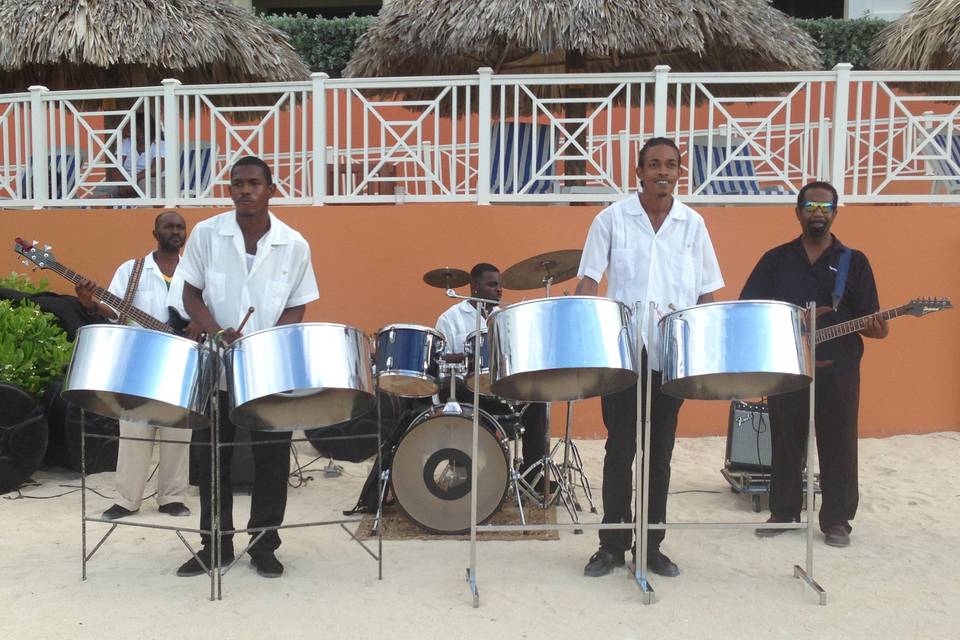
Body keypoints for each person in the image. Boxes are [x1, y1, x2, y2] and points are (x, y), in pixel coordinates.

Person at [575, 137, 724, 578]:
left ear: (680, 173)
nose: (663, 171)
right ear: (637, 173)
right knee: (620, 449)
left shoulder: (693, 225)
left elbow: (706, 292)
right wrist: (584, 334)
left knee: (659, 453)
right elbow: (588, 281)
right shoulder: (611, 219)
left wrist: (703, 351)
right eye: (654, 164)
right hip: (623, 353)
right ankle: (611, 545)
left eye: (671, 165)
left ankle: (652, 545)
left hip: (670, 353)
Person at [174, 156, 319, 579]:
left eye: (255, 183)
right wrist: (217, 332)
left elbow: (297, 303)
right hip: (215, 366)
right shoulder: (206, 234)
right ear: (230, 189)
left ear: (271, 190)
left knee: (272, 460)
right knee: (213, 459)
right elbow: (190, 295)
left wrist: (266, 345)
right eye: (237, 183)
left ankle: (264, 545)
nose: (245, 190)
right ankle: (215, 544)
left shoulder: (294, 243)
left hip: (267, 372)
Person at [741, 181, 888, 548]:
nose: (818, 212)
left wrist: (876, 328)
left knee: (838, 441)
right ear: (797, 211)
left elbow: (874, 325)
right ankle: (785, 512)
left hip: (839, 366)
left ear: (836, 213)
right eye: (810, 205)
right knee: (786, 437)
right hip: (788, 364)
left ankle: (837, 519)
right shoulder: (776, 259)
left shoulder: (855, 261)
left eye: (825, 207)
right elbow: (749, 308)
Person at [75, 211, 201, 520]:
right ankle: (127, 500)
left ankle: (172, 497)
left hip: (181, 362)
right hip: (138, 363)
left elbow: (207, 310)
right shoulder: (132, 270)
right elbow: (116, 311)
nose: (175, 231)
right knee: (133, 431)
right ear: (155, 232)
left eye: (179, 227)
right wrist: (90, 303)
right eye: (168, 226)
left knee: (177, 431)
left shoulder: (196, 272)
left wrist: (199, 324)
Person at [435, 263, 548, 486]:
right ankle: (463, 472)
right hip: (469, 395)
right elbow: (438, 359)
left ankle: (532, 476)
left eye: (500, 286)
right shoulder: (450, 318)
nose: (499, 290)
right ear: (474, 287)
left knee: (538, 400)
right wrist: (469, 357)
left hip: (500, 391)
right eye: (493, 285)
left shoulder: (504, 317)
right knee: (458, 389)